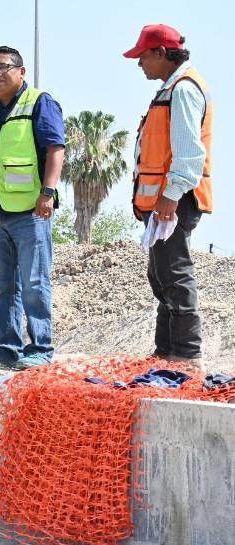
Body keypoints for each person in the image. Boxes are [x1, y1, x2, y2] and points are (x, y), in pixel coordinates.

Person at [0, 45, 65, 370]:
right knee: (3, 286)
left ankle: (41, 349)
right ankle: (6, 349)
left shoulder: (38, 102)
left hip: (30, 212)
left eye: (3, 67)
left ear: (21, 71)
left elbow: (55, 149)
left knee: (34, 282)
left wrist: (47, 193)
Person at [125, 24, 212, 371]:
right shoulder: (170, 88)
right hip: (165, 200)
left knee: (175, 273)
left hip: (176, 199)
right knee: (161, 274)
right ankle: (166, 351)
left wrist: (170, 196)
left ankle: (187, 355)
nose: (139, 63)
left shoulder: (183, 89)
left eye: (143, 56)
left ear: (161, 53)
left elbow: (190, 153)